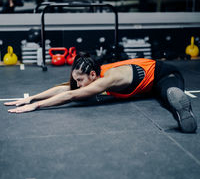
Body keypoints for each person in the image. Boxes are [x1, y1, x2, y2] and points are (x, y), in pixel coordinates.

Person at [4, 53, 197, 133]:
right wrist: (33, 97)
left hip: (165, 74)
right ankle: (176, 99)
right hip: (147, 82)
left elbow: (70, 95)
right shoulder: (96, 72)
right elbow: (66, 87)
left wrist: (37, 106)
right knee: (158, 94)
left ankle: (182, 112)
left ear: (93, 75)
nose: (78, 84)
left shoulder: (107, 79)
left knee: (167, 94)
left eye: (81, 80)